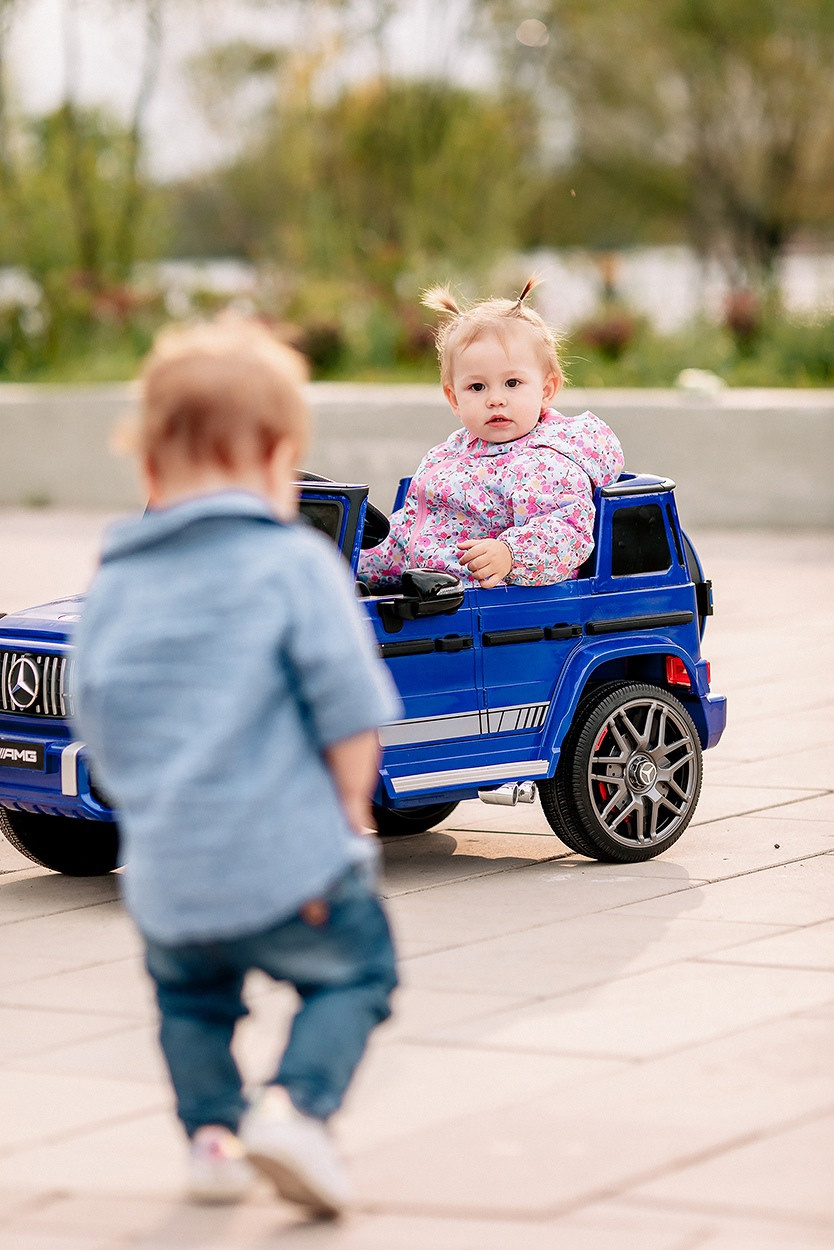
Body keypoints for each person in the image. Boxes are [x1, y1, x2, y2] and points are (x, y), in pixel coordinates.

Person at [71, 318, 401, 1216]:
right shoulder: (293, 563)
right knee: (355, 971)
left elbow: (94, 709)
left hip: (171, 874)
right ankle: (297, 1109)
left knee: (192, 1005)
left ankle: (212, 1140)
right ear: (278, 463)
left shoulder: (115, 580)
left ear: (148, 471)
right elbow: (348, 705)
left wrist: (150, 803)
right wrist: (350, 810)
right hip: (287, 857)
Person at [359, 279, 624, 589]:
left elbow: (566, 533)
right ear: (454, 399)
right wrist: (359, 560)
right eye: (477, 387)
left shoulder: (544, 464)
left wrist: (510, 555)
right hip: (426, 592)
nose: (495, 399)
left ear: (546, 390)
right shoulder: (447, 455)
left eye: (512, 383)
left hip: (487, 604)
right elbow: (414, 529)